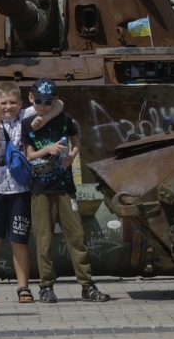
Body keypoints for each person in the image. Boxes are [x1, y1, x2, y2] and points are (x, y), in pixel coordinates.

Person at [21, 78, 110, 304]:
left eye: (48, 101)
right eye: (39, 100)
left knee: (77, 236)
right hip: (41, 189)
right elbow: (29, 155)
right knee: (44, 239)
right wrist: (47, 150)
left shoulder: (64, 119)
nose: (43, 105)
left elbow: (76, 140)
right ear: (31, 98)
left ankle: (87, 285)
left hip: (65, 187)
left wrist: (73, 154)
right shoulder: (27, 123)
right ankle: (46, 286)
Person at [0, 81, 62, 305]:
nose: (8, 107)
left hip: (19, 188)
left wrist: (44, 118)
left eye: (13, 102)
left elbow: (59, 104)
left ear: (21, 103)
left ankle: (23, 287)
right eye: (3, 103)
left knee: (19, 239)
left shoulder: (25, 115)